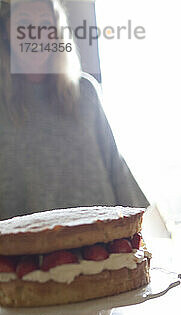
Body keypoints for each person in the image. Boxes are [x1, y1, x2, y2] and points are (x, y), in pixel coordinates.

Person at [0, 0, 148, 221]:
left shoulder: (86, 92)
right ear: (6, 33)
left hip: (104, 247)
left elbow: (117, 169)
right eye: (23, 23)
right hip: (30, 252)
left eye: (45, 24)